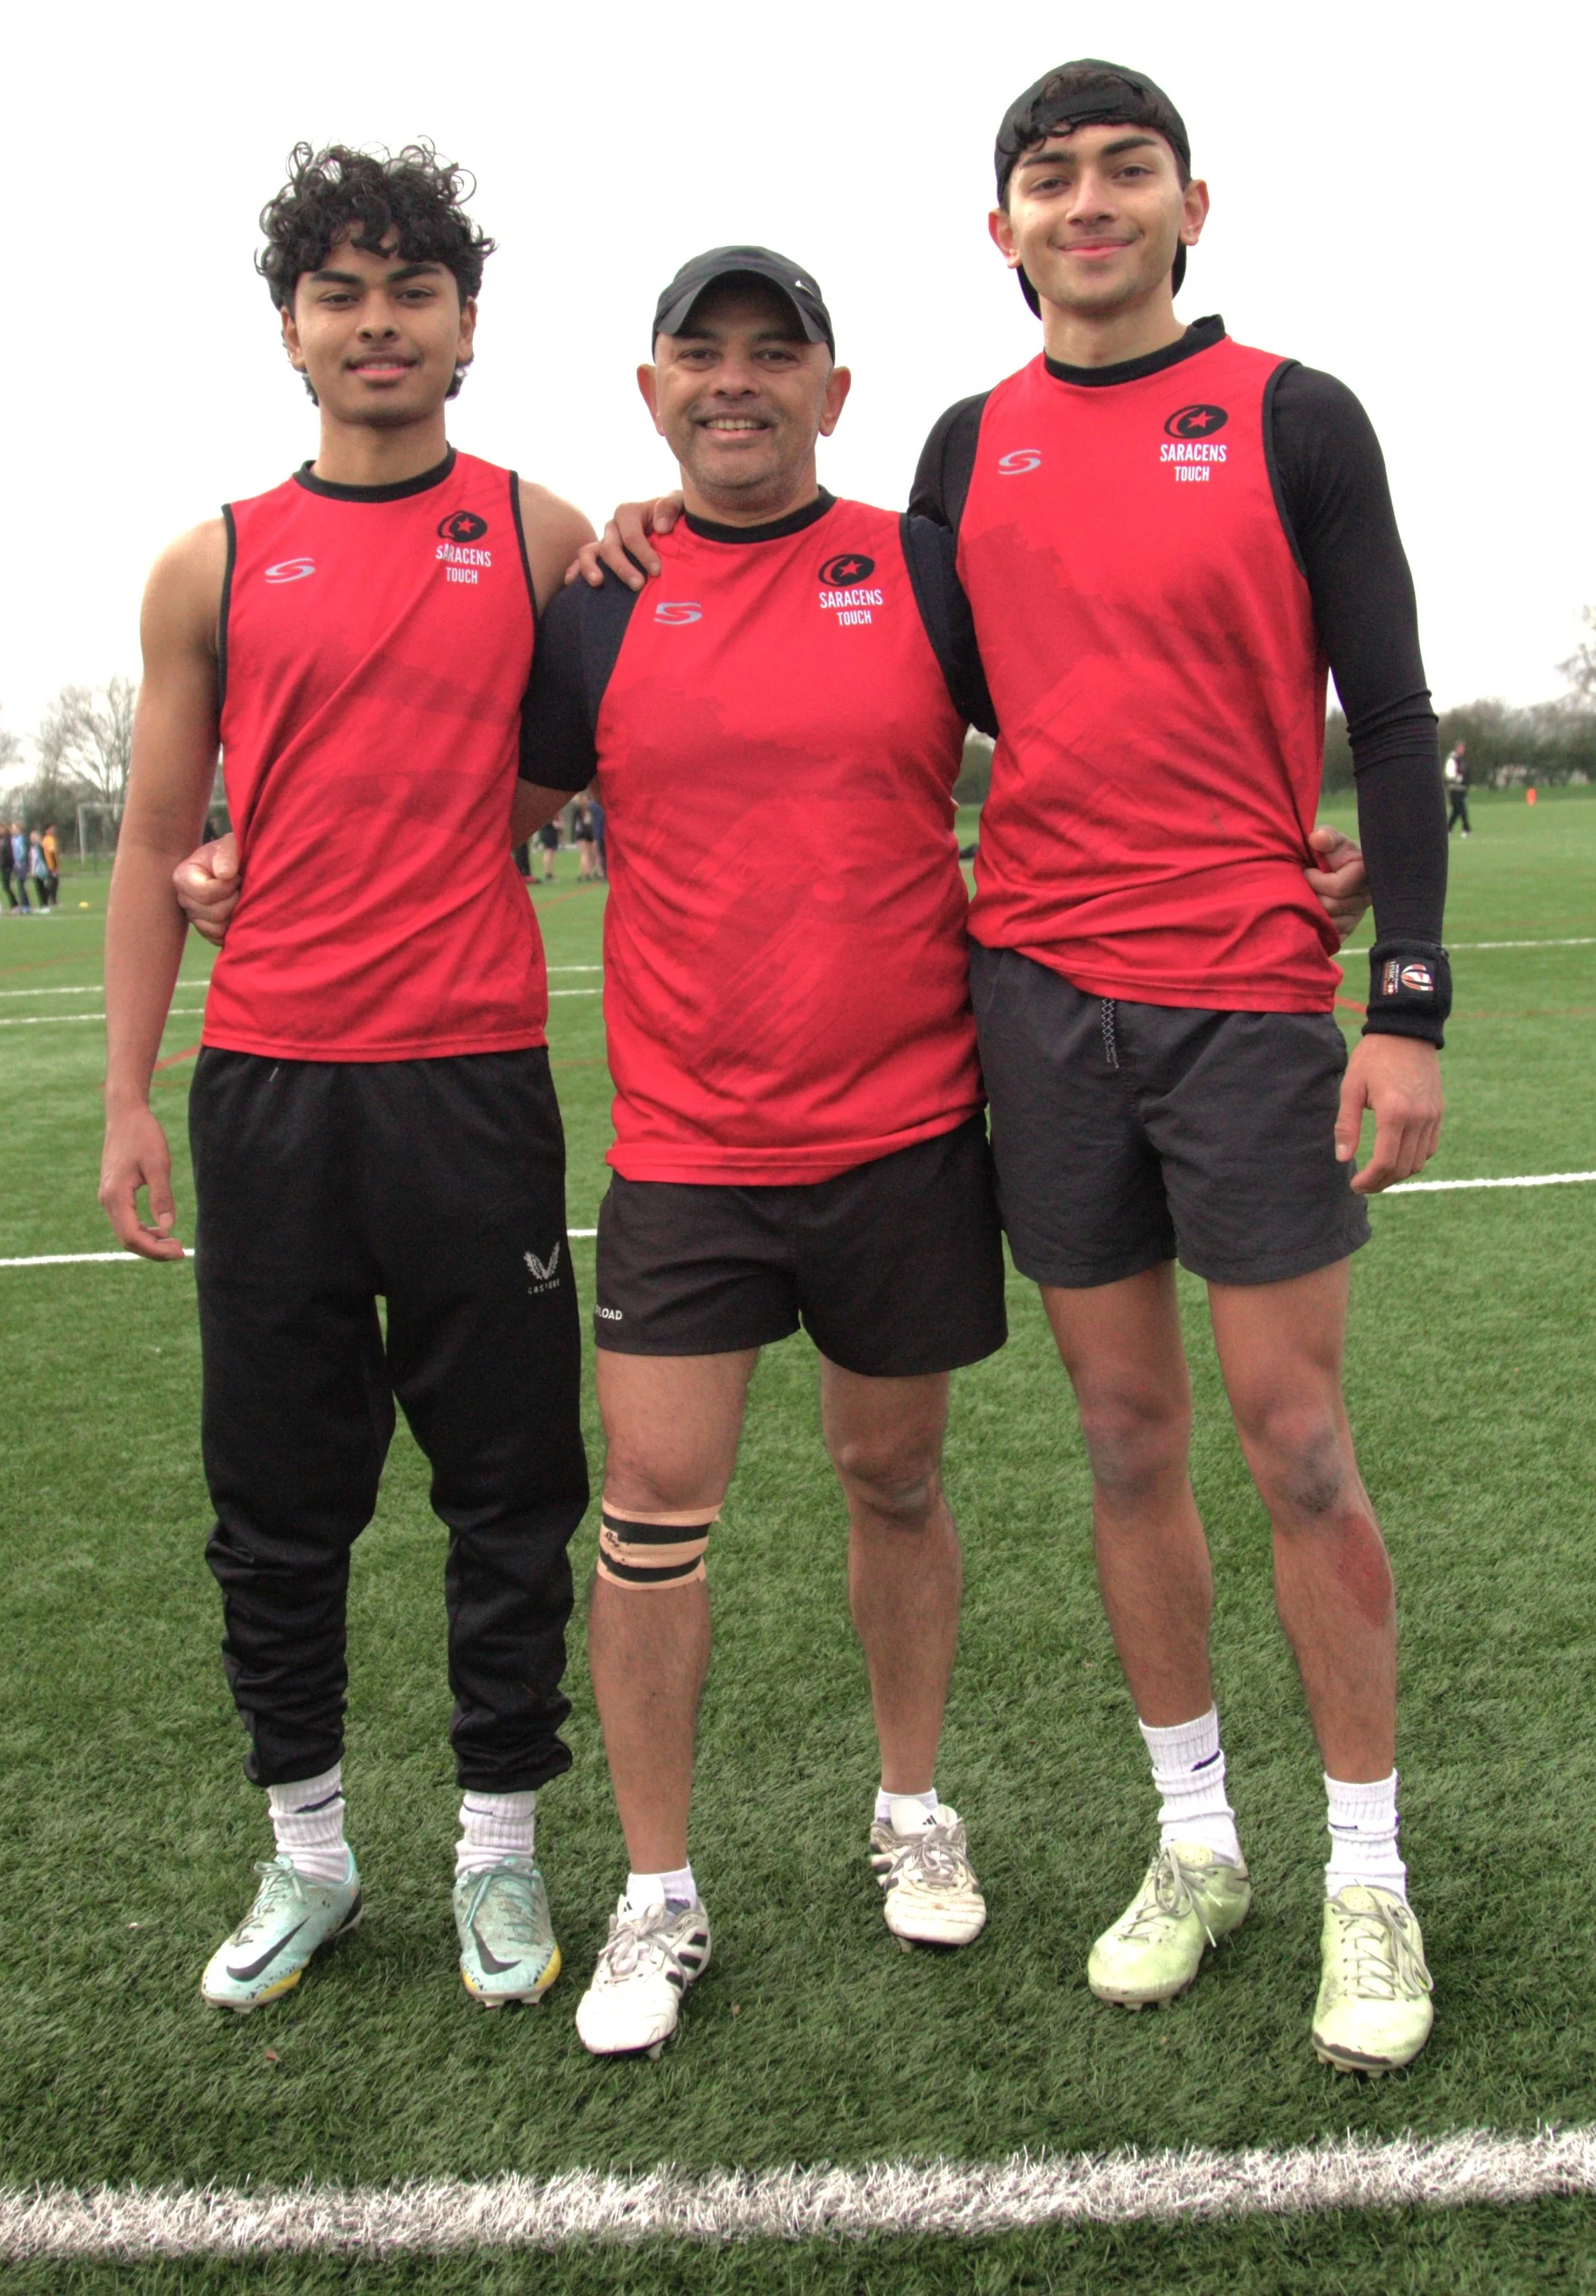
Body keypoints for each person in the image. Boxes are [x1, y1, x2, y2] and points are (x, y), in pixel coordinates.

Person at [909, 60, 1449, 2073]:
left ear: (1189, 201)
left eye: (1122, 167)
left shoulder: (1296, 415)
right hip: (1038, 999)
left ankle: (1366, 1874)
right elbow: (909, 684)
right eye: (1046, 177)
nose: (1086, 200)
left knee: (1292, 1438)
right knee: (1123, 1440)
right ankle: (1198, 1838)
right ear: (1003, 232)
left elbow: (1386, 714)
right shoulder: (967, 450)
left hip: (1242, 994)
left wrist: (1403, 1000)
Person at [99, 143, 597, 2022]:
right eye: (339, 291)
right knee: (278, 1495)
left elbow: (612, 739)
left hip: (470, 1080)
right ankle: (307, 1850)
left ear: (466, 323)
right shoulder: (208, 558)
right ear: (290, 327)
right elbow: (156, 841)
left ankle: (497, 1848)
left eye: (410, 290)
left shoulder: (551, 533)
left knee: (506, 1486)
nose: (375, 323)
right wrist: (131, 1094)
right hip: (272, 1092)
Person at [516, 250, 1011, 2059]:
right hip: (689, 1147)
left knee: (891, 1476)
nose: (737, 382)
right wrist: (250, 870)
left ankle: (906, 1804)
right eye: (700, 356)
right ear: (652, 390)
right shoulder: (596, 602)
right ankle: (657, 1888)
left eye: (773, 352)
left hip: (899, 1130)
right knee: (649, 1513)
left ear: (833, 384)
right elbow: (472, 819)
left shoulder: (924, 565)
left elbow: (1081, 742)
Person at [1444, 741, 1472, 837]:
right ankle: (1466, 830)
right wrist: (1457, 778)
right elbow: (1449, 773)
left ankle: (1448, 829)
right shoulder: (1453, 759)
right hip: (1455, 789)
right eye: (1461, 748)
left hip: (1462, 789)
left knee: (1457, 810)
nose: (1463, 750)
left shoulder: (1461, 760)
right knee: (1461, 809)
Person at [0, 820, 21, 911]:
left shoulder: (9, 839)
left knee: (6, 886)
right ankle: (14, 904)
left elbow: (10, 853)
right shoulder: (2, 839)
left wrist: (11, 864)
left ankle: (15, 905)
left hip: (7, 866)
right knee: (6, 886)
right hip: (3, 865)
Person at [42, 823, 62, 906]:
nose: (53, 830)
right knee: (54, 884)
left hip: (48, 865)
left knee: (51, 883)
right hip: (51, 866)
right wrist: (55, 867)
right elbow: (52, 853)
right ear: (47, 830)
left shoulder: (45, 839)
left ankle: (50, 900)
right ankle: (52, 901)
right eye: (51, 829)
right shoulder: (49, 839)